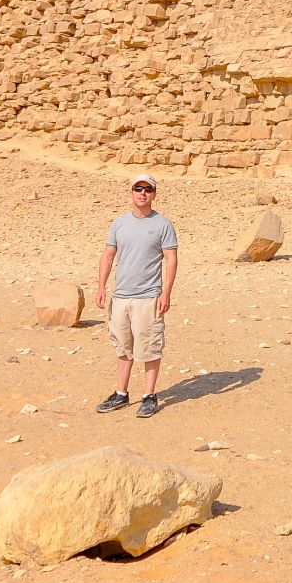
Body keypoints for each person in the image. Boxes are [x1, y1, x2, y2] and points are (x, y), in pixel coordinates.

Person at [94, 173, 179, 417]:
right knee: (123, 346)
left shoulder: (163, 225)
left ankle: (149, 395)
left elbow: (171, 259)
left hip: (148, 297)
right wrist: (101, 286)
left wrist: (166, 293)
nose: (143, 193)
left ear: (154, 194)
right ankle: (121, 393)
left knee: (150, 346)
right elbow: (108, 255)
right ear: (131, 192)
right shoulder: (119, 223)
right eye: (138, 188)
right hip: (121, 296)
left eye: (147, 189)